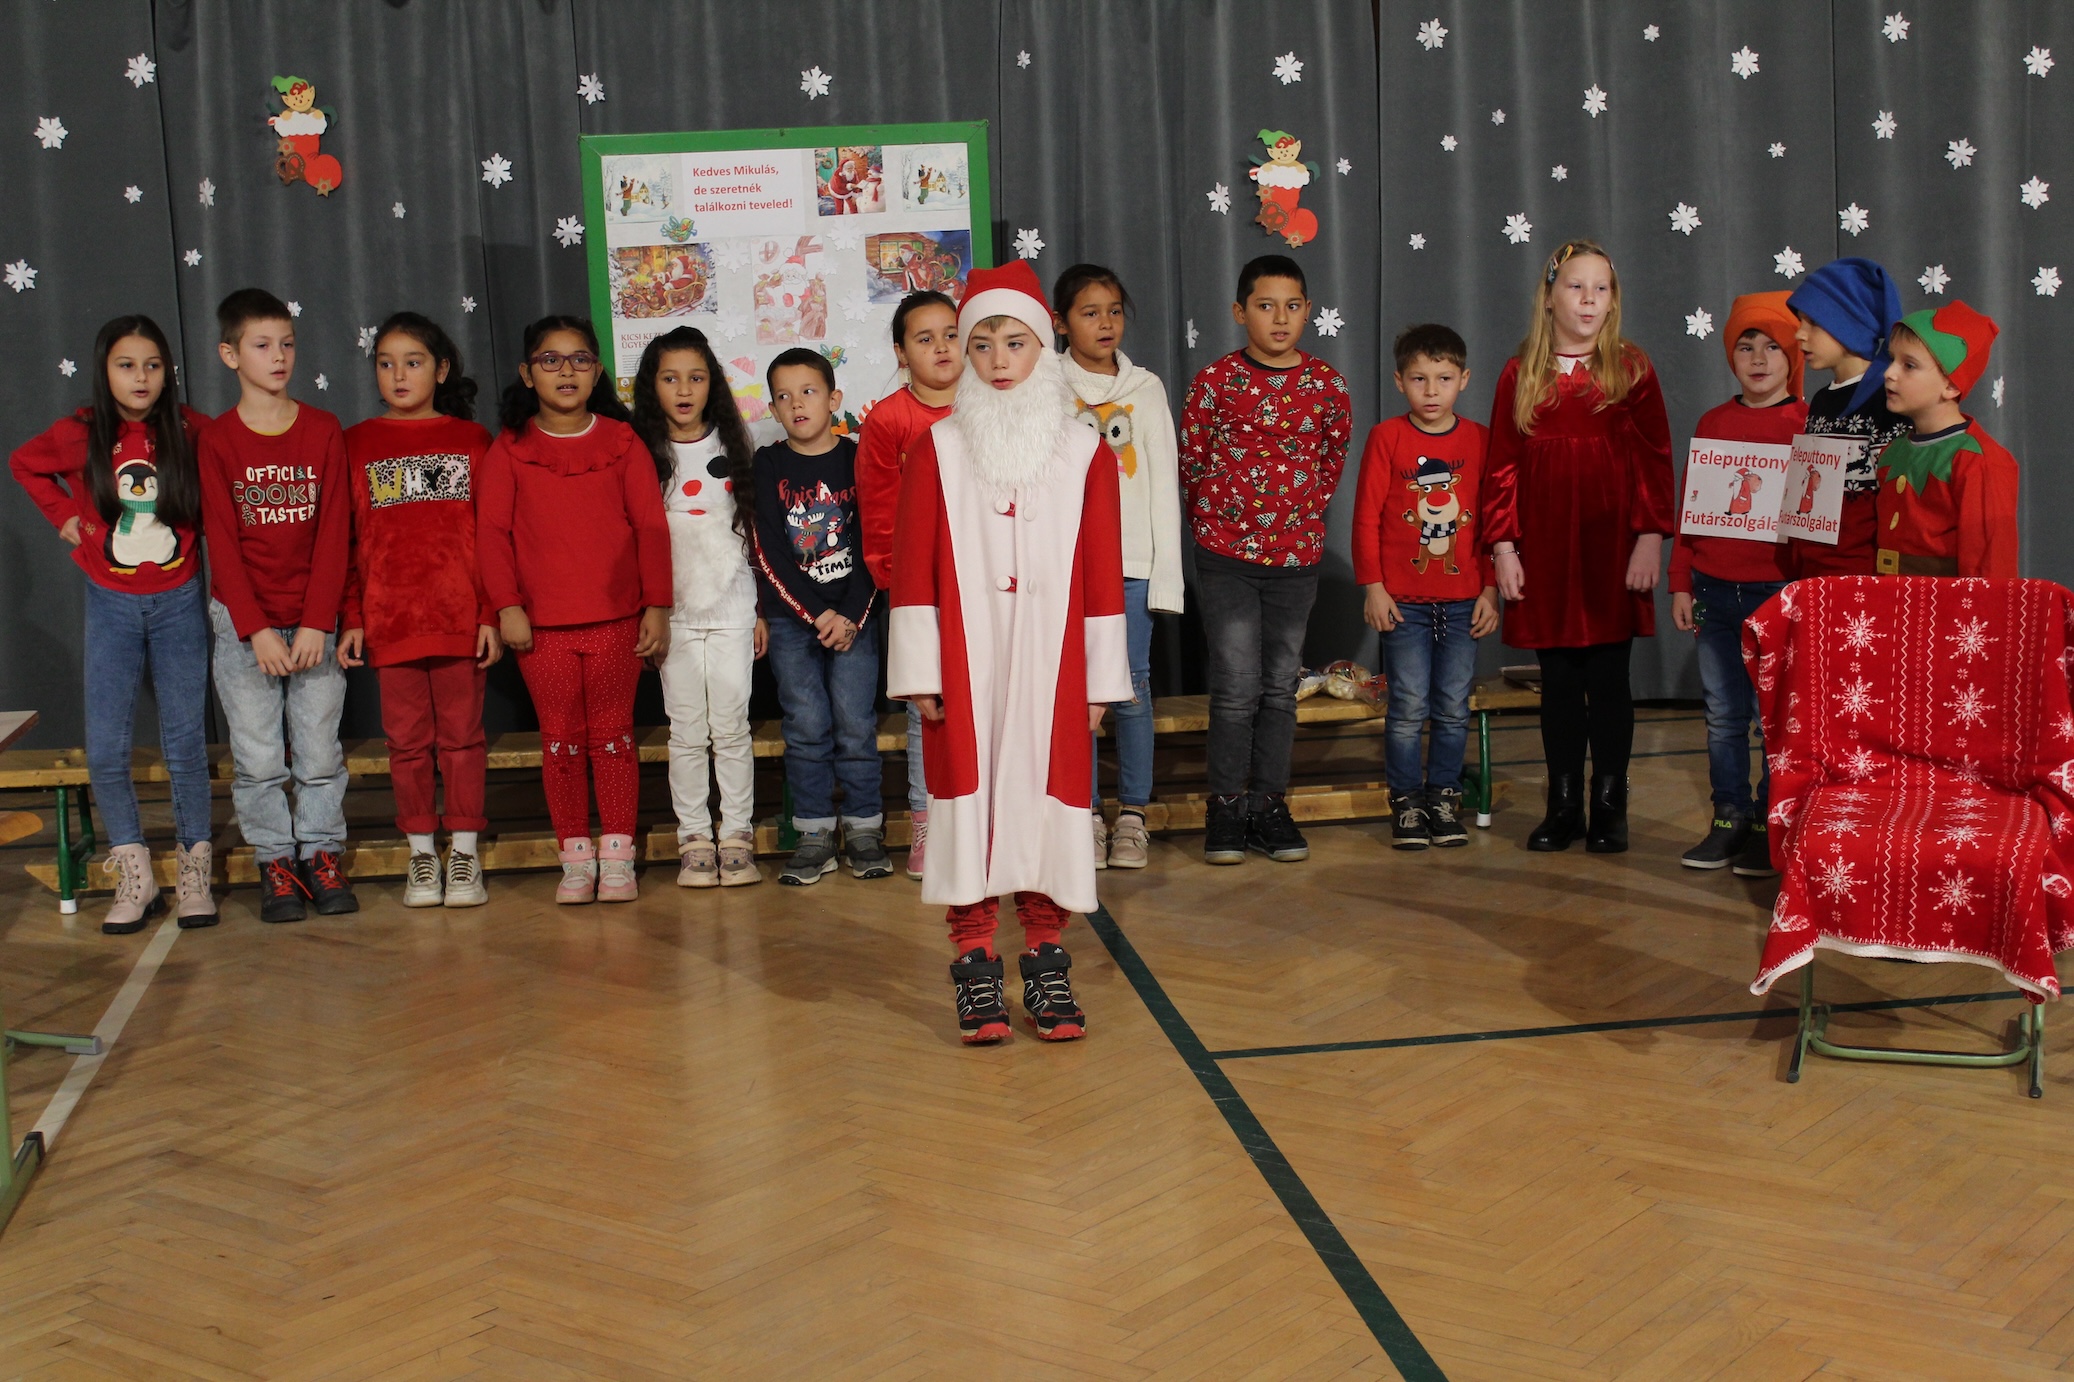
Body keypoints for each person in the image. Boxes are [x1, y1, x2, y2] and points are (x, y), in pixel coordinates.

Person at [887, 260, 1130, 1044]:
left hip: (1054, 666)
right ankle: (975, 963)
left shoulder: (1085, 452)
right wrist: (919, 669)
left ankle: (1048, 956)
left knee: (1046, 800)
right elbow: (912, 568)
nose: (997, 361)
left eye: (1014, 343)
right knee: (967, 800)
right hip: (964, 664)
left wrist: (1099, 679)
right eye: (981, 344)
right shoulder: (937, 450)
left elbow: (1103, 571)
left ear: (1042, 347)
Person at [10, 316, 214, 934]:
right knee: (105, 747)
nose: (141, 378)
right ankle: (134, 872)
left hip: (178, 599)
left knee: (185, 745)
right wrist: (64, 517)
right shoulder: (81, 432)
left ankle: (194, 871)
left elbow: (230, 472)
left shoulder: (190, 429)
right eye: (126, 365)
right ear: (105, 371)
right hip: (111, 602)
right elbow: (24, 463)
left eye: (152, 365)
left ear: (168, 372)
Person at [1484, 240, 1675, 855]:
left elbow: (1655, 458)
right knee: (1560, 680)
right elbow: (1502, 466)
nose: (1589, 299)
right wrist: (1504, 547)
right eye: (1575, 286)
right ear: (1549, 297)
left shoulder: (1630, 368)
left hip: (1611, 547)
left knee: (1609, 677)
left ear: (1613, 300)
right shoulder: (1521, 372)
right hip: (1545, 548)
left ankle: (1610, 804)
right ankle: (1563, 803)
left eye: (1601, 288)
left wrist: (1649, 538)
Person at [477, 315, 670, 905]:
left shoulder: (623, 442)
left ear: (598, 370)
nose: (566, 371)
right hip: (541, 628)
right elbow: (491, 534)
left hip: (616, 620)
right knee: (560, 741)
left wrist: (657, 605)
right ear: (527, 373)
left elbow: (651, 528)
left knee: (613, 738)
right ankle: (575, 858)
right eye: (550, 360)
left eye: (580, 359)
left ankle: (618, 856)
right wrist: (506, 606)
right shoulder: (510, 448)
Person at [1179, 254, 1351, 866]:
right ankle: (1226, 807)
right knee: (1235, 688)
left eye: (1293, 306)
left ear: (1308, 311)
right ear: (1239, 311)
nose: (1280, 318)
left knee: (1280, 688)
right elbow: (1193, 461)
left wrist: (1294, 521)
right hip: (1226, 557)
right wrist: (1222, 523)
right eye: (1265, 305)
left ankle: (1269, 806)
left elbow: (1331, 462)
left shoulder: (1328, 386)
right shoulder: (1216, 382)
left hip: (1294, 561)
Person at [198, 288, 357, 922]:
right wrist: (256, 629)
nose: (279, 356)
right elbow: (221, 542)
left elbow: (335, 530)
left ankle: (321, 853)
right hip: (246, 624)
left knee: (318, 753)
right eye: (262, 345)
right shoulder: (217, 440)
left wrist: (318, 620)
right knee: (260, 758)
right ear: (230, 355)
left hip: (313, 619)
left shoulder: (322, 429)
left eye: (287, 343)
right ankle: (276, 863)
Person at [338, 313, 497, 908]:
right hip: (391, 623)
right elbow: (347, 542)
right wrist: (353, 617)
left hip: (460, 622)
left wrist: (489, 613)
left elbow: (492, 537)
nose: (399, 375)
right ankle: (422, 856)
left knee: (462, 740)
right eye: (386, 364)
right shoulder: (356, 443)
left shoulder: (471, 441)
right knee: (406, 745)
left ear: (442, 369)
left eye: (413, 362)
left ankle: (464, 854)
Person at [1668, 292, 1807, 877]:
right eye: (1746, 347)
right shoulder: (1714, 423)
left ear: (1793, 357)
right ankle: (1729, 818)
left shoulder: (1806, 423)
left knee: (1772, 716)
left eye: (1772, 347)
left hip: (1776, 593)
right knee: (1723, 714)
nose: (1758, 358)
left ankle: (1771, 823)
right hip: (1713, 589)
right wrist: (1681, 581)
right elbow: (1691, 511)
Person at [1054, 263, 1183, 872]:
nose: (1105, 323)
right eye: (1089, 313)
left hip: (1131, 565)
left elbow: (1163, 485)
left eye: (1113, 311)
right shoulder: (1045, 386)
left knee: (1130, 687)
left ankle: (1132, 814)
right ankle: (1082, 813)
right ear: (1060, 323)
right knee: (1071, 692)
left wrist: (1165, 578)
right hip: (1065, 567)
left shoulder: (1146, 388)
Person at [1350, 323, 1497, 852]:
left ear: (1464, 379)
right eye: (1419, 379)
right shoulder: (1386, 437)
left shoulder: (1480, 439)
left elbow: (1493, 524)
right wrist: (1373, 586)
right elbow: (1366, 517)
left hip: (1463, 602)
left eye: (1444, 378)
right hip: (1403, 604)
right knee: (1409, 706)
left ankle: (1443, 798)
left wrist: (1490, 591)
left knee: (1453, 707)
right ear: (1399, 381)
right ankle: (1407, 801)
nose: (1431, 391)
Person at [630, 326, 765, 888]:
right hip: (674, 612)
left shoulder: (735, 446)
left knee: (731, 726)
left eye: (696, 377)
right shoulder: (638, 451)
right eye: (670, 378)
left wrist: (759, 610)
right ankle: (694, 839)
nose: (684, 389)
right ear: (651, 386)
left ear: (712, 384)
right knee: (686, 729)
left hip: (732, 607)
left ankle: (736, 836)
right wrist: (648, 610)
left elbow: (754, 532)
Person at [753, 349, 889, 886]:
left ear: (834, 399)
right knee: (806, 726)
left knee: (855, 725)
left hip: (856, 617)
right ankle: (813, 833)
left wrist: (849, 614)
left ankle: (864, 829)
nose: (796, 404)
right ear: (773, 409)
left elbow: (874, 540)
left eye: (807, 391)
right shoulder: (768, 465)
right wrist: (817, 613)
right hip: (795, 620)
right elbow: (769, 550)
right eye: (783, 397)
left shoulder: (858, 458)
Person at [856, 290, 959, 880]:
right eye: (925, 339)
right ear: (901, 352)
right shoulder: (889, 420)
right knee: (927, 710)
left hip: (986, 585)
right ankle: (927, 823)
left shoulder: (988, 406)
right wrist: (903, 588)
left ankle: (982, 818)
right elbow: (878, 514)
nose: (941, 347)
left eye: (951, 334)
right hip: (921, 592)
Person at [1785, 258, 1909, 578]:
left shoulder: (1886, 401)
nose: (1799, 334)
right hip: (1813, 575)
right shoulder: (1821, 400)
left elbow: (1896, 505)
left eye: (1813, 322)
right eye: (1800, 322)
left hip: (1860, 581)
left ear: (1848, 326)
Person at [1874, 302, 2018, 577]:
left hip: (1945, 603)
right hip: (1889, 599)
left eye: (1909, 365)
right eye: (1892, 360)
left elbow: (1990, 568)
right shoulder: (1892, 452)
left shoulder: (1980, 462)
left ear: (1951, 384)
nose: (1889, 373)